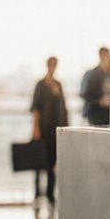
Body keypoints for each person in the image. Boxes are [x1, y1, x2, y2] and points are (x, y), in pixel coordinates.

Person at [30, 56, 69, 205]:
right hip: (43, 129)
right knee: (39, 162)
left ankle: (50, 194)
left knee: (52, 163)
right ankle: (36, 194)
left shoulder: (58, 85)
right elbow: (36, 108)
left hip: (55, 130)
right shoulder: (40, 85)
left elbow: (63, 108)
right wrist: (35, 128)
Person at [80, 47, 110, 126]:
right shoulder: (93, 74)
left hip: (106, 116)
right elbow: (84, 93)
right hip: (96, 116)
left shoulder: (106, 75)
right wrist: (100, 100)